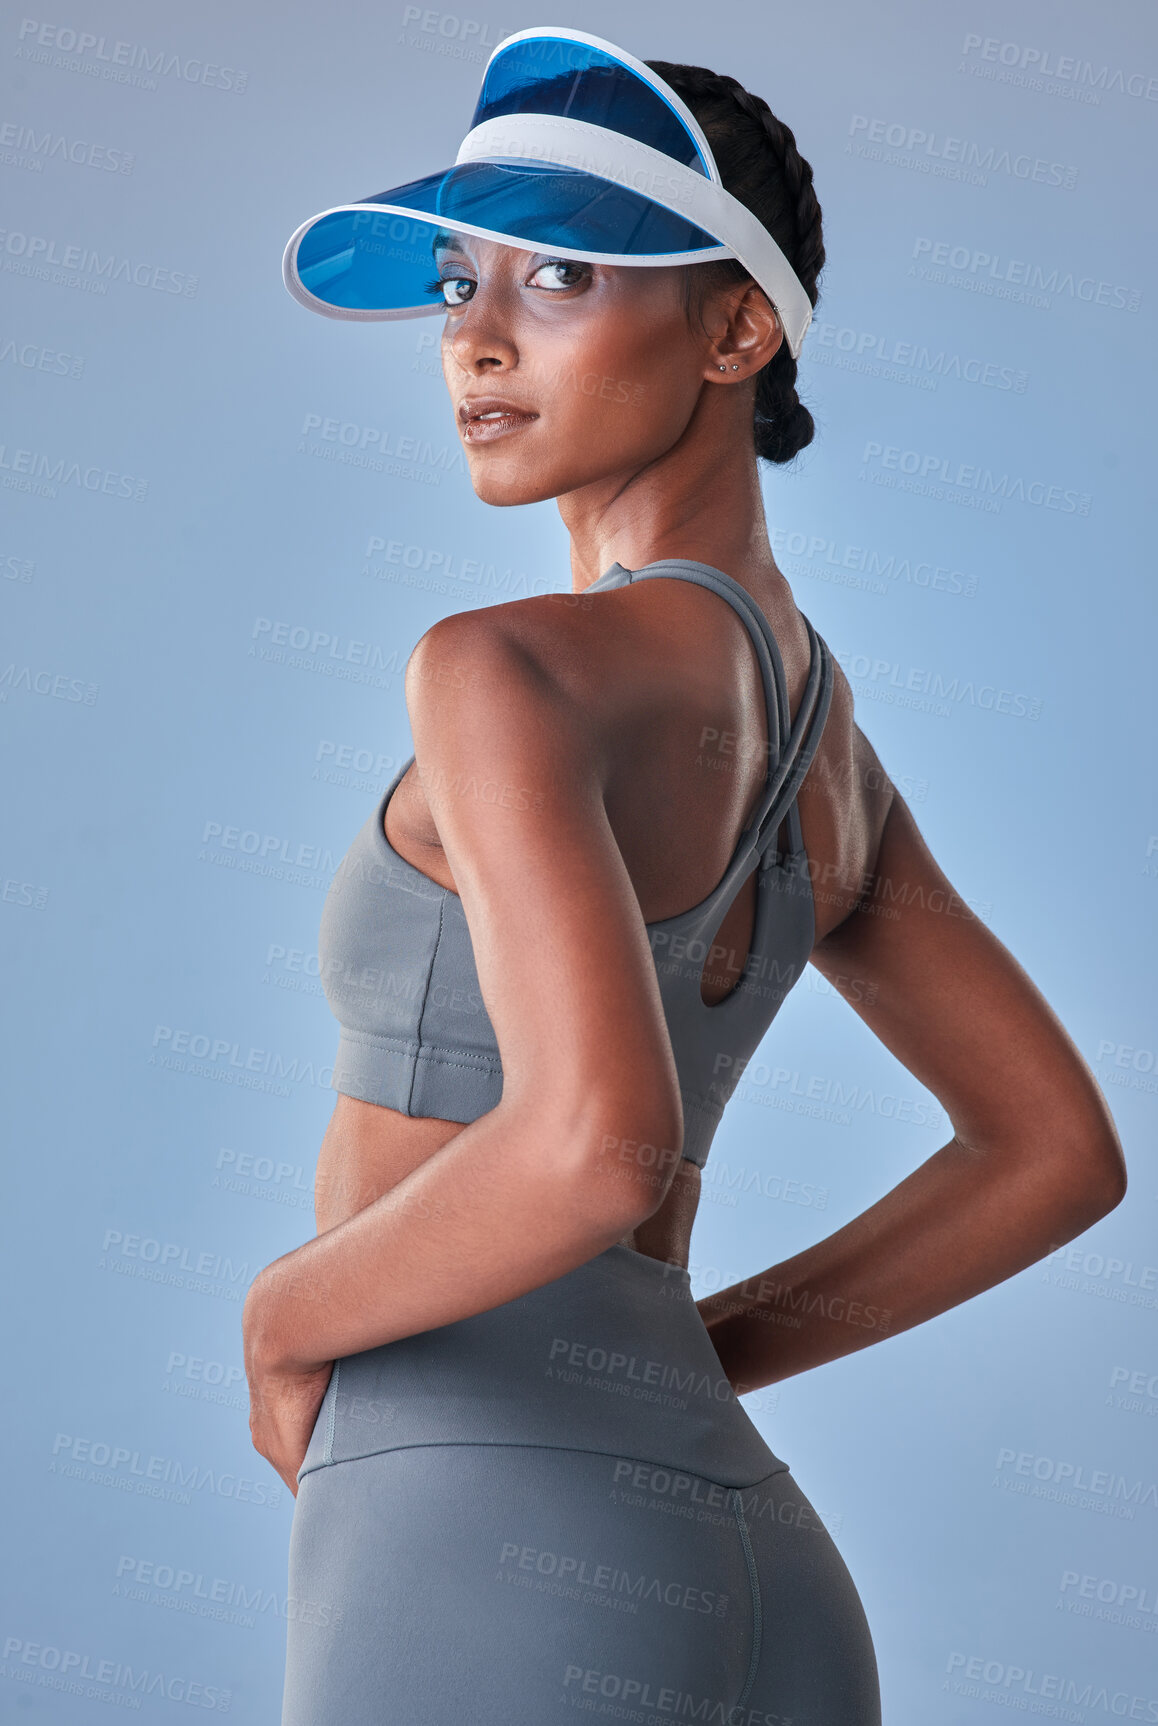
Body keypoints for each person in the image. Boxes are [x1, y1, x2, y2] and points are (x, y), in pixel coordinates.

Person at [244, 28, 1127, 1725]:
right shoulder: (818, 737)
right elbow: (1056, 1151)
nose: (476, 340)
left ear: (734, 328)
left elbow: (595, 1143)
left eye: (564, 273)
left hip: (475, 1523)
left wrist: (286, 1325)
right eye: (453, 284)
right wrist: (689, 1367)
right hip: (754, 1562)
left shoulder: (502, 668)